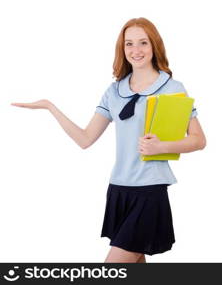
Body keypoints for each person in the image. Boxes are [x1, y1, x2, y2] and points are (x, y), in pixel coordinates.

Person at [12, 17, 206, 263]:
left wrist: (161, 146)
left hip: (149, 191)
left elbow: (199, 140)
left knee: (110, 268)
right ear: (122, 49)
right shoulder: (114, 92)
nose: (136, 50)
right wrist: (50, 107)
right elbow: (85, 138)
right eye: (129, 44)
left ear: (154, 45)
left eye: (143, 43)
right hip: (119, 189)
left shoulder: (171, 88)